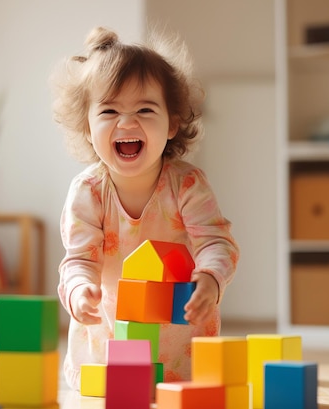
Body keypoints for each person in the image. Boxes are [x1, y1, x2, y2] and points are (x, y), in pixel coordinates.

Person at [51, 26, 239, 391]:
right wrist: (79, 290)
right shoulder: (88, 192)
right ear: (87, 127)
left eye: (145, 109)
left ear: (172, 123)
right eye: (109, 110)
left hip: (181, 349)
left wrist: (211, 279)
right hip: (109, 345)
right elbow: (78, 260)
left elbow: (216, 242)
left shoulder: (187, 185)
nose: (127, 122)